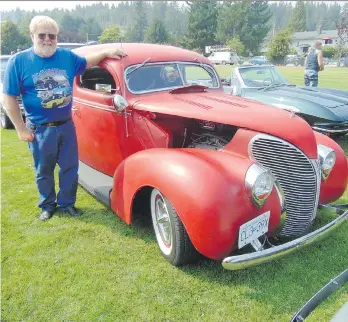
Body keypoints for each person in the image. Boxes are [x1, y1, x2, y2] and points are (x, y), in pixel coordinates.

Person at [3, 15, 126, 221]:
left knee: (70, 168)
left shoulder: (67, 57)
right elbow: (9, 99)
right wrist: (20, 128)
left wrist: (105, 52)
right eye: (42, 35)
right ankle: (47, 205)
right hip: (39, 129)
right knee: (44, 170)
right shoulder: (19, 61)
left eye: (52, 36)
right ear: (32, 35)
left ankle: (68, 203)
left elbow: (88, 62)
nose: (47, 39)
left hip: (66, 125)